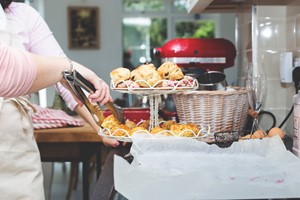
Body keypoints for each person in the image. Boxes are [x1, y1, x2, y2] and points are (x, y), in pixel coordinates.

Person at [0, 1, 119, 199]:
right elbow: (7, 68)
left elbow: (65, 81)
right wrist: (68, 68)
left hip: (16, 152)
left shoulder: (24, 15)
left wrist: (102, 129)